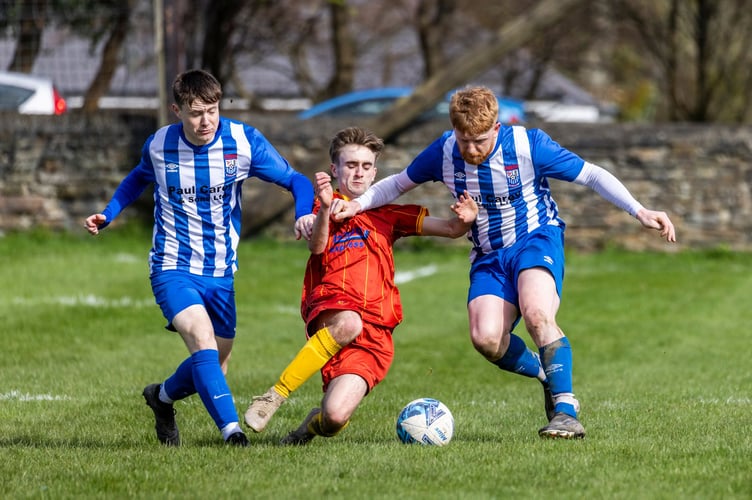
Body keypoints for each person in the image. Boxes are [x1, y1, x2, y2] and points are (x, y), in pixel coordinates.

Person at [332, 86, 676, 439]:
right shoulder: (444, 151)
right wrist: (355, 206)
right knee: (486, 339)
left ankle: (566, 411)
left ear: (497, 128)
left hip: (536, 238)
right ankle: (546, 374)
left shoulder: (529, 145)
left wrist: (640, 210)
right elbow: (397, 184)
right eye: (463, 139)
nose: (471, 149)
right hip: (488, 255)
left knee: (537, 314)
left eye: (479, 140)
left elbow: (590, 174)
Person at [84, 69, 314, 447]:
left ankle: (160, 398)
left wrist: (303, 211)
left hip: (221, 272)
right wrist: (109, 213)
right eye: (195, 112)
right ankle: (232, 433)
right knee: (201, 339)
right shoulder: (159, 145)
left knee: (216, 363)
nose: (205, 121)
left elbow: (297, 180)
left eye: (212, 110)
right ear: (177, 110)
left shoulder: (243, 141)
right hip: (172, 266)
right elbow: (137, 179)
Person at [243, 126, 478, 444]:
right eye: (351, 165)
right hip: (333, 308)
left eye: (366, 166)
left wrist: (466, 219)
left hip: (376, 333)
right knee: (349, 321)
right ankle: (274, 395)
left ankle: (309, 428)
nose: (358, 172)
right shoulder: (323, 205)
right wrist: (325, 207)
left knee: (335, 417)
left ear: (375, 172)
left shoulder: (389, 213)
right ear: (335, 169)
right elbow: (316, 246)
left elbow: (450, 229)